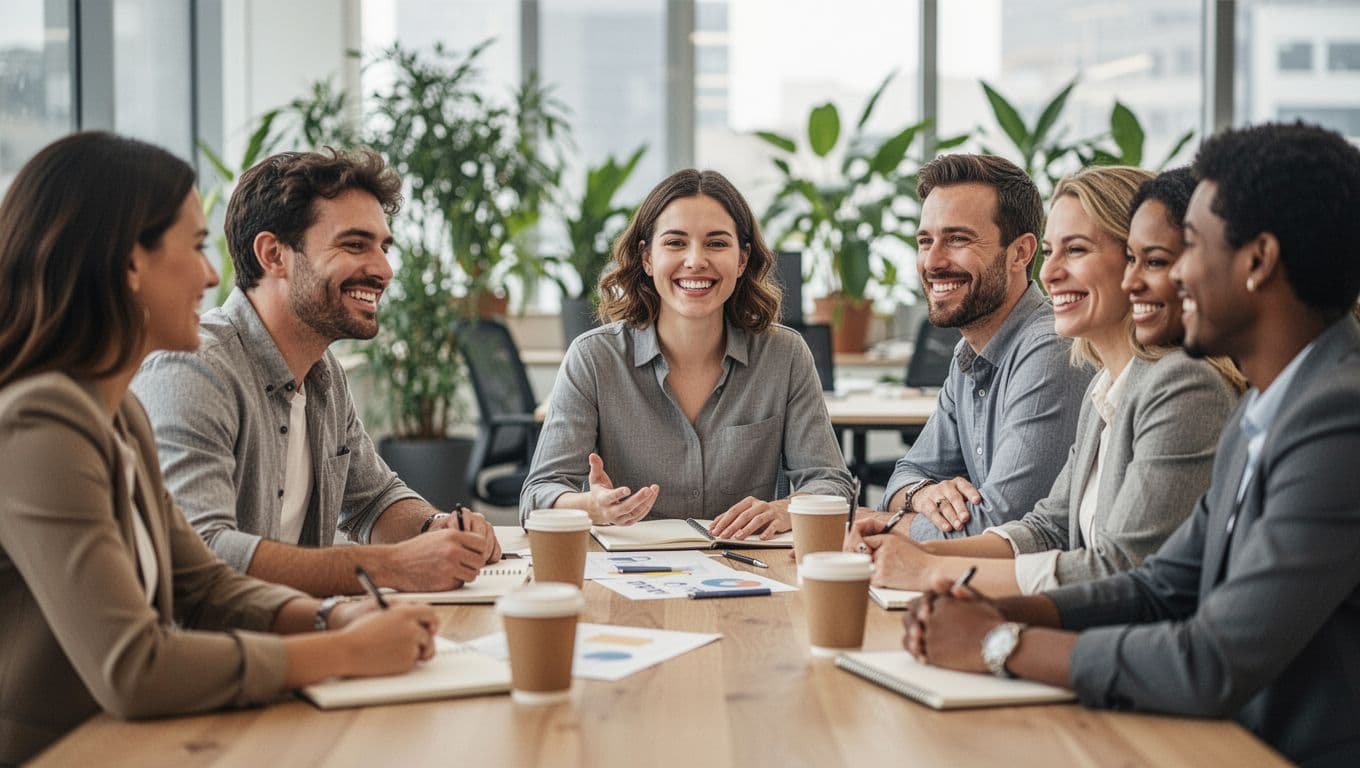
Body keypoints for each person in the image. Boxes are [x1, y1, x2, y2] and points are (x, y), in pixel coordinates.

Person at [904, 122, 1360, 766]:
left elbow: (1212, 660)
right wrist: (991, 608)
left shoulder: (1337, 420)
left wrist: (998, 642)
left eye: (1186, 249)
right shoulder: (1268, 404)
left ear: (1257, 262)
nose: (1167, 278)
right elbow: (1158, 586)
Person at [0, 133, 439, 766]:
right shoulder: (42, 421)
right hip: (69, 751)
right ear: (129, 265)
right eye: (197, 247)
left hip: (148, 739)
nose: (212, 275)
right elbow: (135, 666)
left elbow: (201, 583)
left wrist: (328, 621)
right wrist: (341, 652)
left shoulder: (116, 411)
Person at [853, 166, 1243, 596]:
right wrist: (906, 549)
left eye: (1075, 250)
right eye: (1052, 250)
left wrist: (930, 569)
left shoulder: (1182, 386)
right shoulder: (1108, 389)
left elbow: (1121, 569)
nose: (1049, 272)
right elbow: (1047, 529)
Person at [131, 149, 499, 597]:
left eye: (383, 247)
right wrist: (389, 567)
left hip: (303, 633)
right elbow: (203, 551)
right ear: (273, 254)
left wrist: (437, 528)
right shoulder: (196, 368)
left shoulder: (323, 375)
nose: (384, 270)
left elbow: (375, 501)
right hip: (227, 652)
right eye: (355, 244)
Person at [520, 169, 852, 538]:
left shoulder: (784, 356)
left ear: (742, 260)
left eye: (716, 244)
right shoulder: (593, 359)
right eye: (675, 243)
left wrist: (785, 509)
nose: (695, 261)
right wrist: (591, 506)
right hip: (629, 579)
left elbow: (832, 484)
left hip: (748, 572)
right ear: (647, 258)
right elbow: (537, 495)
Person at [873, 154, 1093, 541]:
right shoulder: (968, 355)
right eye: (925, 241)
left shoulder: (1050, 351)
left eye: (958, 239)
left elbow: (997, 528)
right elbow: (902, 477)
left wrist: (891, 523)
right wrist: (923, 493)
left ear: (1021, 253)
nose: (933, 261)